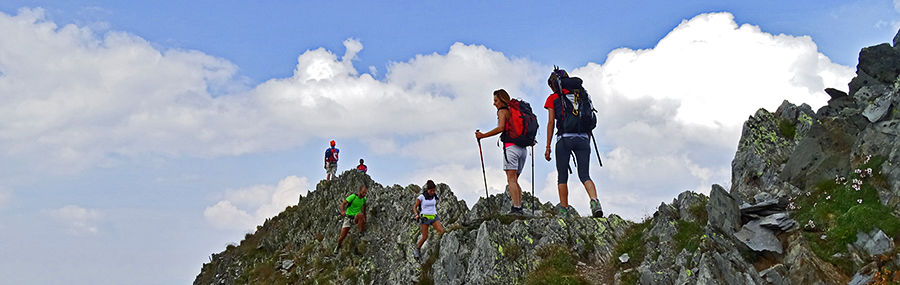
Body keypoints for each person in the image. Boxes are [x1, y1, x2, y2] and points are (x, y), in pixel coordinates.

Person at [543, 68, 603, 218]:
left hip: (564, 139)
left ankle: (564, 210)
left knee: (562, 176)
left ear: (554, 83)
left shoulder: (553, 98)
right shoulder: (581, 95)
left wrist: (548, 146)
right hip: (583, 138)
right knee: (585, 174)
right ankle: (595, 202)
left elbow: (551, 122)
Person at [475, 89, 526, 215]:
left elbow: (501, 128)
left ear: (502, 100)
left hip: (511, 148)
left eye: (496, 100)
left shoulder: (503, 111)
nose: (494, 103)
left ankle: (516, 208)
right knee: (515, 179)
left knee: (511, 180)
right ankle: (519, 207)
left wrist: (483, 135)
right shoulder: (517, 111)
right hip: (523, 149)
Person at [412, 180, 443, 258]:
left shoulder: (435, 196)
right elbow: (415, 207)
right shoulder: (421, 197)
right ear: (427, 189)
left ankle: (441, 248)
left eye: (434, 190)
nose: (432, 192)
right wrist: (416, 215)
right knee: (425, 236)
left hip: (434, 217)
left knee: (441, 231)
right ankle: (417, 249)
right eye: (431, 191)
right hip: (424, 218)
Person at [334, 183, 368, 254]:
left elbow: (364, 206)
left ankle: (360, 233)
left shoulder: (364, 199)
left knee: (360, 215)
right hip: (348, 218)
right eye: (363, 192)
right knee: (342, 237)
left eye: (365, 193)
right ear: (359, 191)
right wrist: (342, 211)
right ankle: (338, 246)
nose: (364, 194)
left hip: (356, 217)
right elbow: (343, 203)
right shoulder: (353, 197)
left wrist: (364, 215)